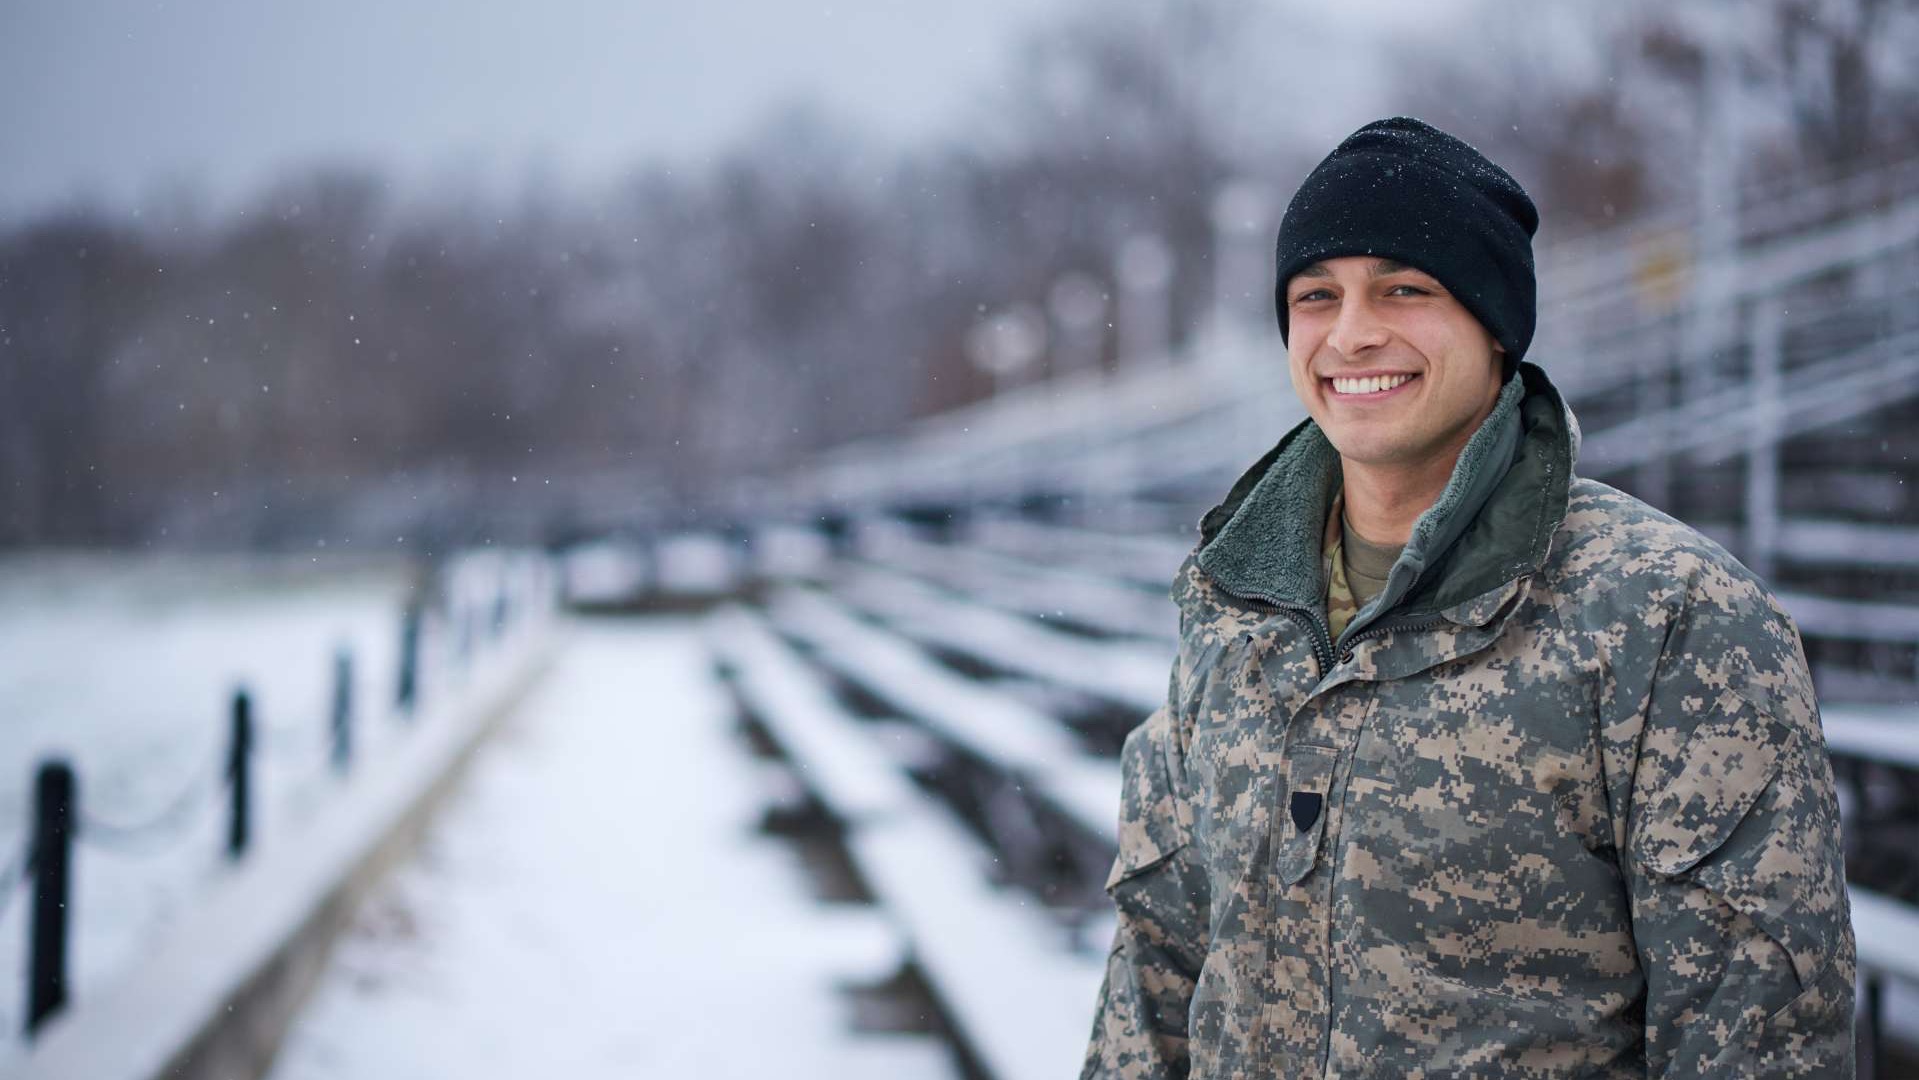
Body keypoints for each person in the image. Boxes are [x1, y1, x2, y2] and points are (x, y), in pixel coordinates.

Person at [1080, 117, 1855, 1078]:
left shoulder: (1665, 613)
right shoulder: (1235, 603)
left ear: (1494, 326)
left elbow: (1755, 1034)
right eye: (1315, 296)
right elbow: (1155, 964)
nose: (1350, 333)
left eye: (1404, 288)